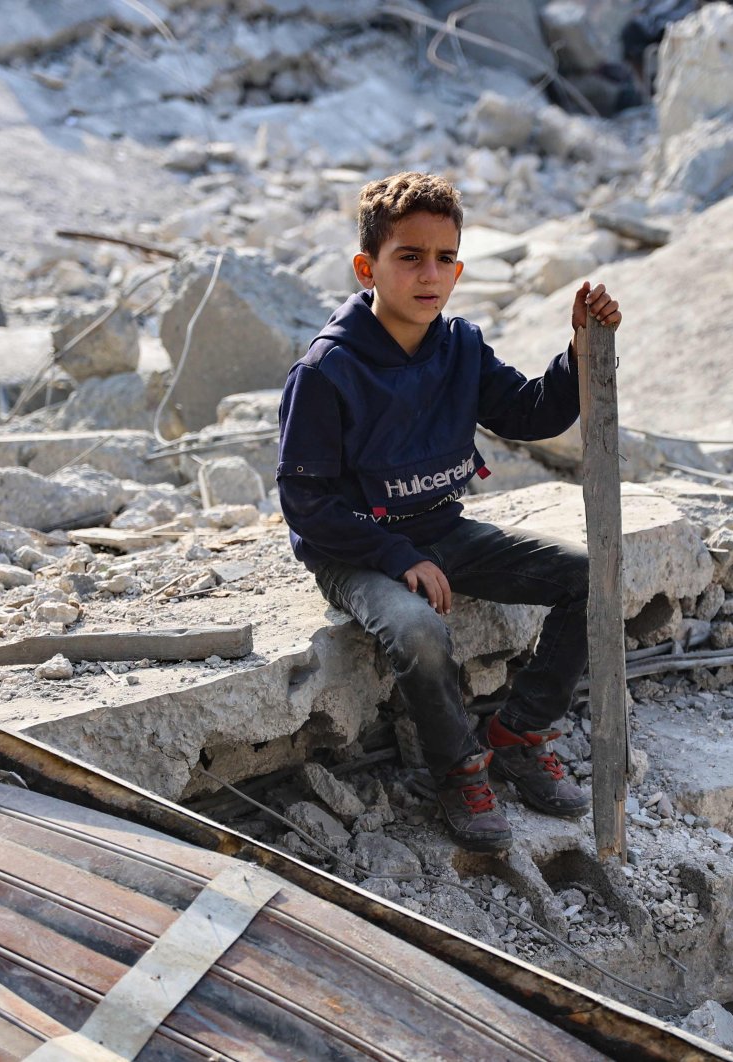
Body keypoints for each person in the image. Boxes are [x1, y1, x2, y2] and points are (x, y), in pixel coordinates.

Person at [276, 172, 622, 853]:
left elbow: (529, 413)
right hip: (358, 549)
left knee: (590, 579)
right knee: (418, 629)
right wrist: (399, 558)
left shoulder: (459, 346)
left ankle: (519, 737)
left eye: (443, 258)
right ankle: (460, 771)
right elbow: (305, 503)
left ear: (459, 268)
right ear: (367, 267)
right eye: (409, 257)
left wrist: (578, 350)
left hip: (443, 529)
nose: (428, 274)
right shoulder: (326, 371)